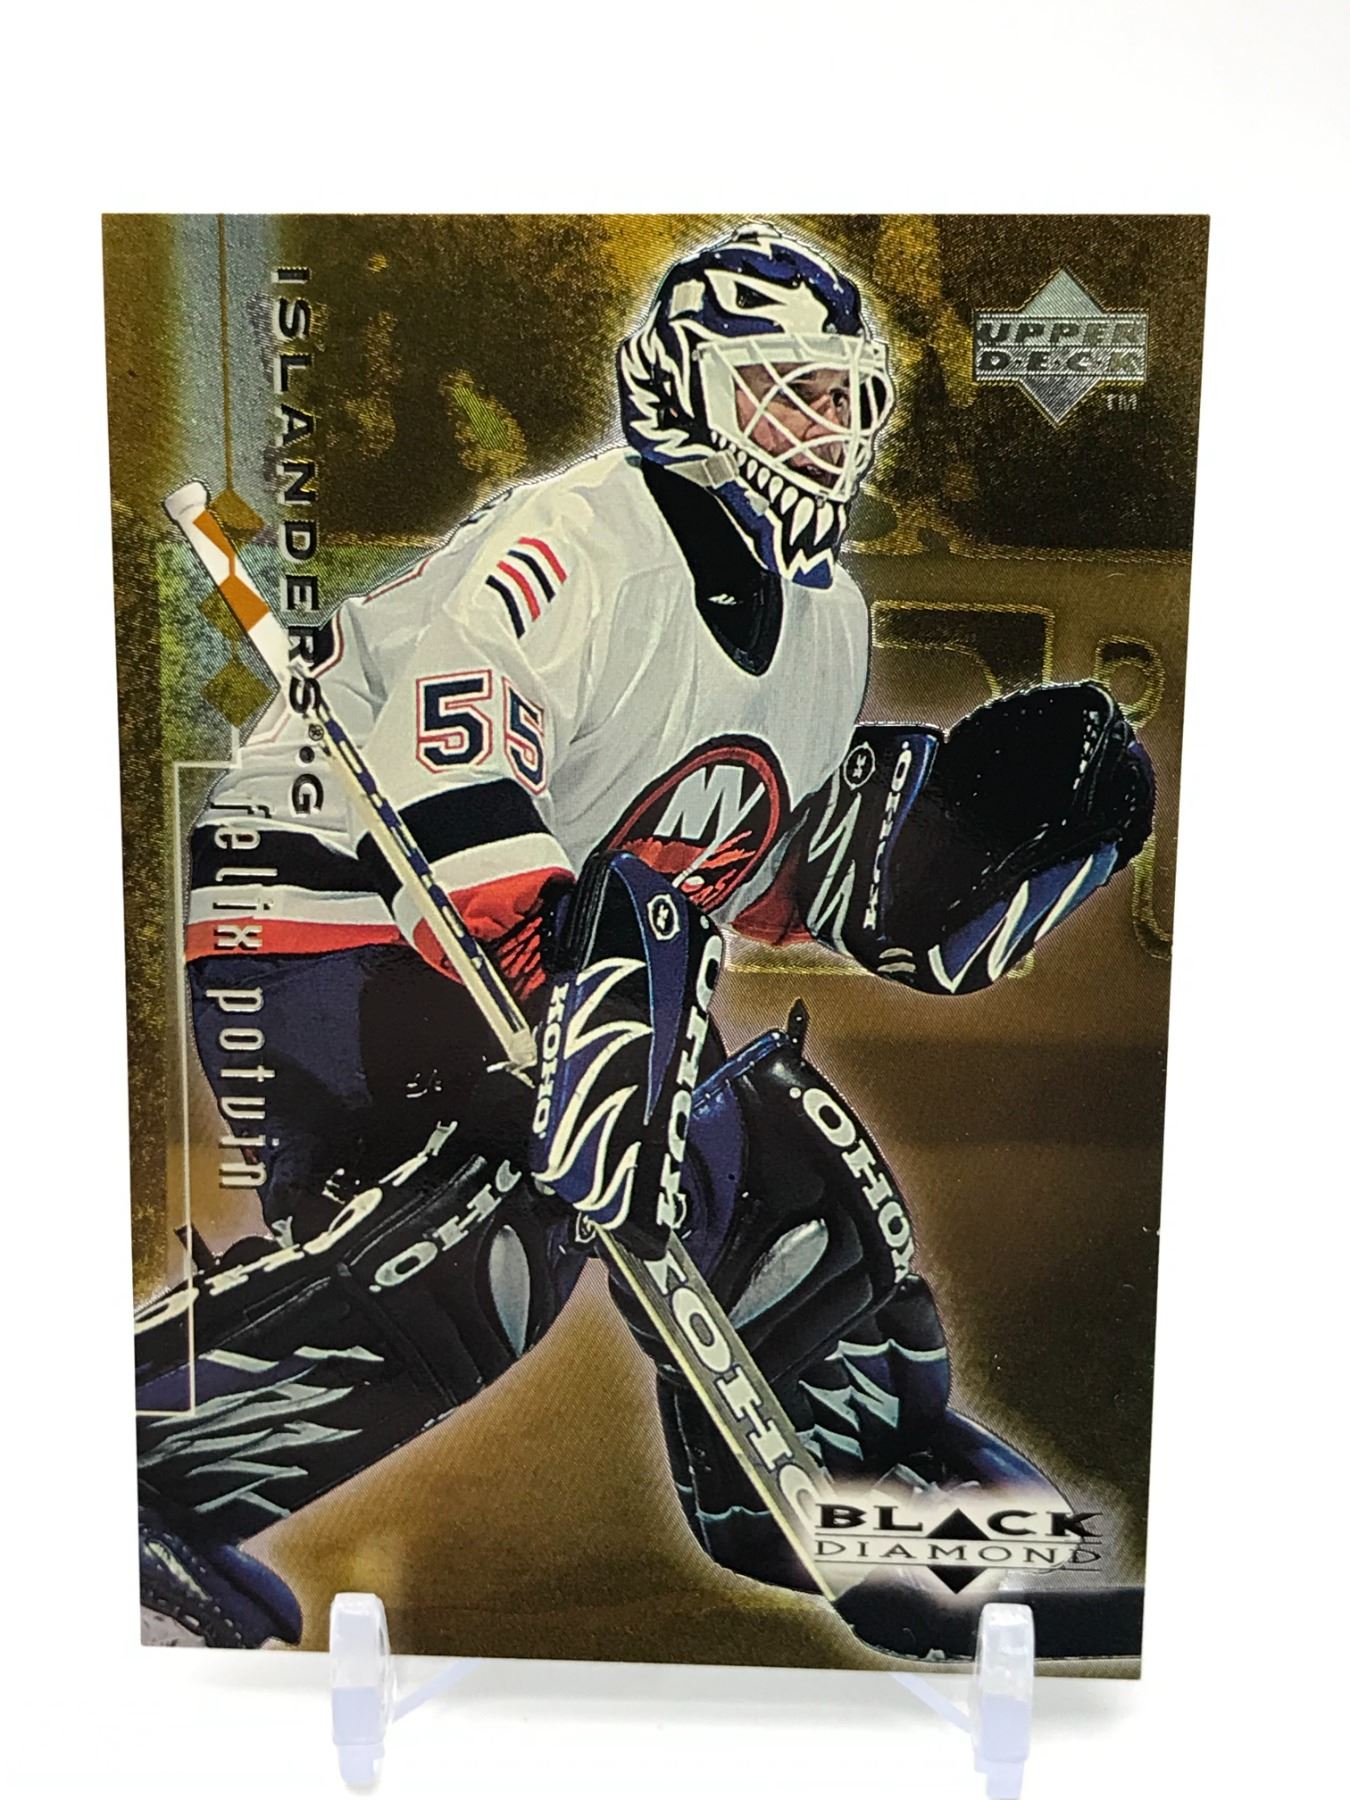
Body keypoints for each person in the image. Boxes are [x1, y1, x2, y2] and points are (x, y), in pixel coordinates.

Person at [136, 223, 1154, 1659]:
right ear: (682, 385)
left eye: (843, 397)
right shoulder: (576, 540)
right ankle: (129, 1472)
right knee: (490, 1232)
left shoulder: (825, 618)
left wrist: (926, 856)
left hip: (581, 943)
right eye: (786, 392)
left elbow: (741, 857)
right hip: (331, 911)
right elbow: (452, 772)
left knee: (773, 1175)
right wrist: (579, 982)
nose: (827, 428)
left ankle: (856, 1486)